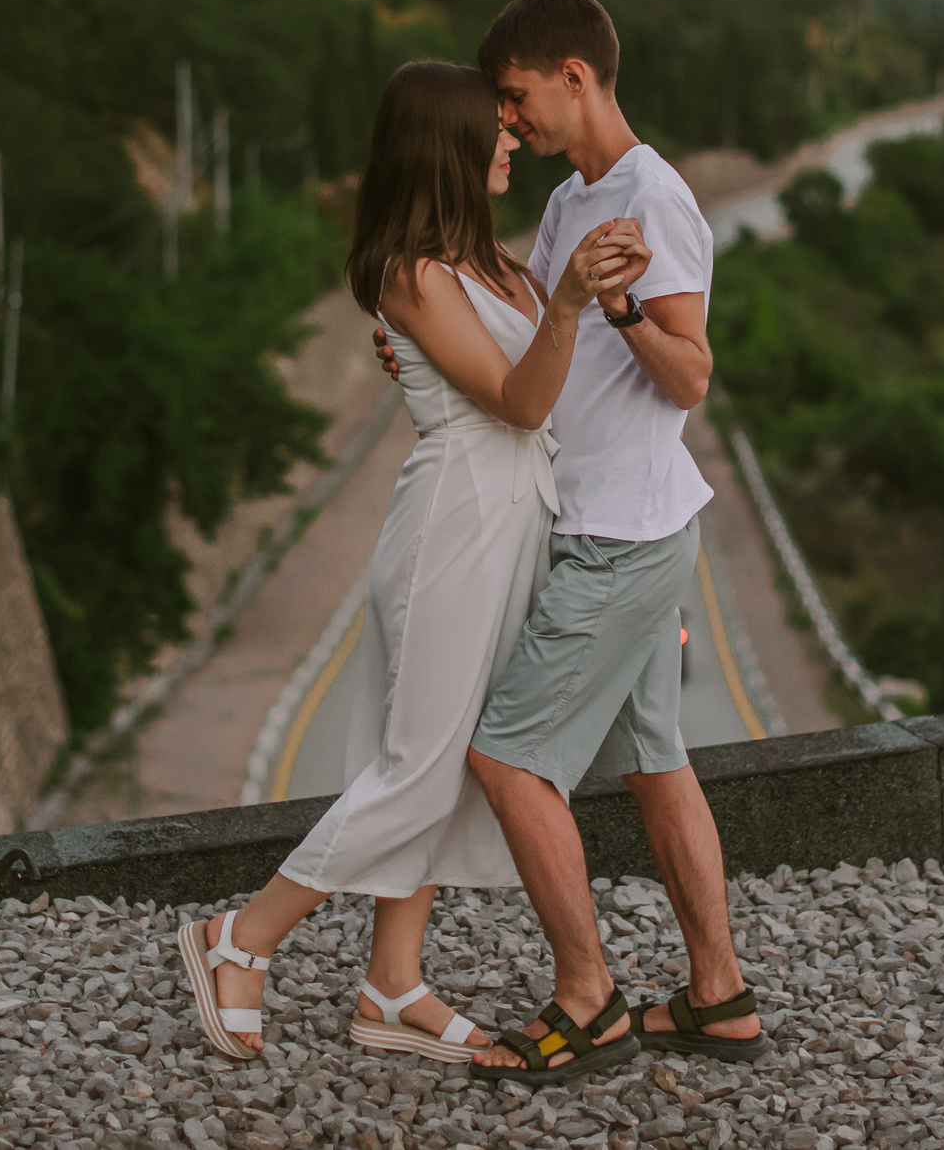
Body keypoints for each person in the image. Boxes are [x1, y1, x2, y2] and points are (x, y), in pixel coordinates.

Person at [179, 59, 643, 1065]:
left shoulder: (498, 267)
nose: (512, 137)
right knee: (416, 766)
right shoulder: (414, 271)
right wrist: (562, 306)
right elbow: (517, 402)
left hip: (516, 517)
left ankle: (393, 982)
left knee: (456, 763)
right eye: (496, 127)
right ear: (449, 143)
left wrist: (573, 303)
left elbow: (549, 392)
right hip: (456, 521)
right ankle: (240, 936)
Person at [380, 0, 767, 1087]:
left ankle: (587, 1000)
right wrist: (410, 340)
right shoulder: (569, 200)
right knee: (654, 763)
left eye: (515, 97)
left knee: (506, 758)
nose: (508, 120)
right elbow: (521, 322)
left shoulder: (654, 197)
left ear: (575, 77)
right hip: (603, 517)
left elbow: (692, 372)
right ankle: (717, 995)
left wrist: (627, 310)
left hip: (622, 532)